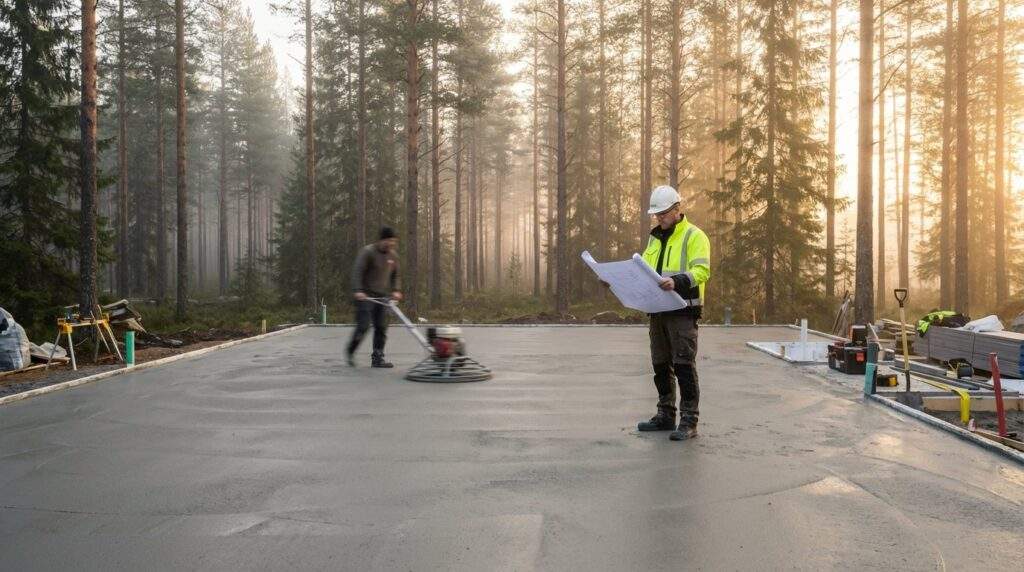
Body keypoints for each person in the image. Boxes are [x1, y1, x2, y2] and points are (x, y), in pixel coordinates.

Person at [635, 185, 711, 441]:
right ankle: (665, 415)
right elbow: (644, 269)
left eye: (663, 213)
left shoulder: (694, 236)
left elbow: (702, 271)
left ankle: (689, 420)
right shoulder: (654, 238)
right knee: (660, 365)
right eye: (656, 214)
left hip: (682, 311)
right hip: (658, 311)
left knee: (684, 367)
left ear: (677, 210)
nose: (659, 218)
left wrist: (677, 280)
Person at [346, 226, 403, 368]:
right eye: (389, 241)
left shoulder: (393, 256)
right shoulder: (368, 252)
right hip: (365, 296)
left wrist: (396, 290)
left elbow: (396, 275)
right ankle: (350, 351)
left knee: (381, 327)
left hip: (382, 297)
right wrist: (358, 290)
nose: (391, 244)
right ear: (382, 240)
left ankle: (378, 358)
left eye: (394, 242)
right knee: (364, 326)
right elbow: (357, 272)